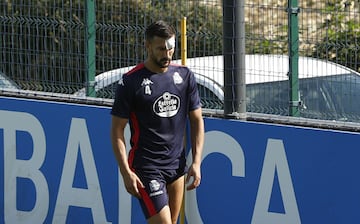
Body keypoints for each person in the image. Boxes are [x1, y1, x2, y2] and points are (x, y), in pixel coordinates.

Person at [110, 20, 204, 224]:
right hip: (147, 167)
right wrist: (126, 172)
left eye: (170, 48)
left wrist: (196, 162)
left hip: (177, 166)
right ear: (148, 46)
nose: (167, 54)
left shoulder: (185, 76)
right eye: (161, 48)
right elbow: (117, 131)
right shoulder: (130, 82)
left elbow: (196, 120)